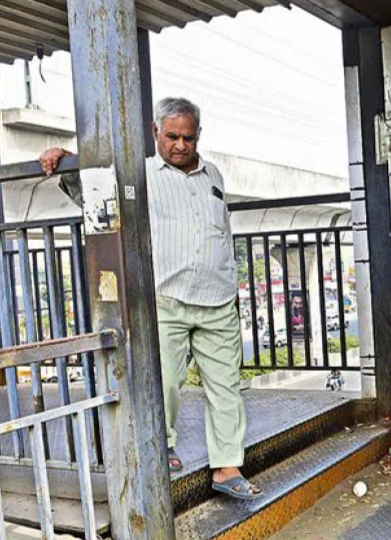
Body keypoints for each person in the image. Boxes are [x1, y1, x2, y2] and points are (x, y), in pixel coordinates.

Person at [39, 97, 262, 500]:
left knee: (226, 386)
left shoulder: (213, 174)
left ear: (198, 137)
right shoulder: (140, 173)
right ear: (155, 132)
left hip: (218, 297)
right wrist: (69, 160)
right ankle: (165, 444)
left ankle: (227, 467)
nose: (180, 145)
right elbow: (96, 192)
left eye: (188, 137)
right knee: (167, 382)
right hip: (167, 297)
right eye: (172, 136)